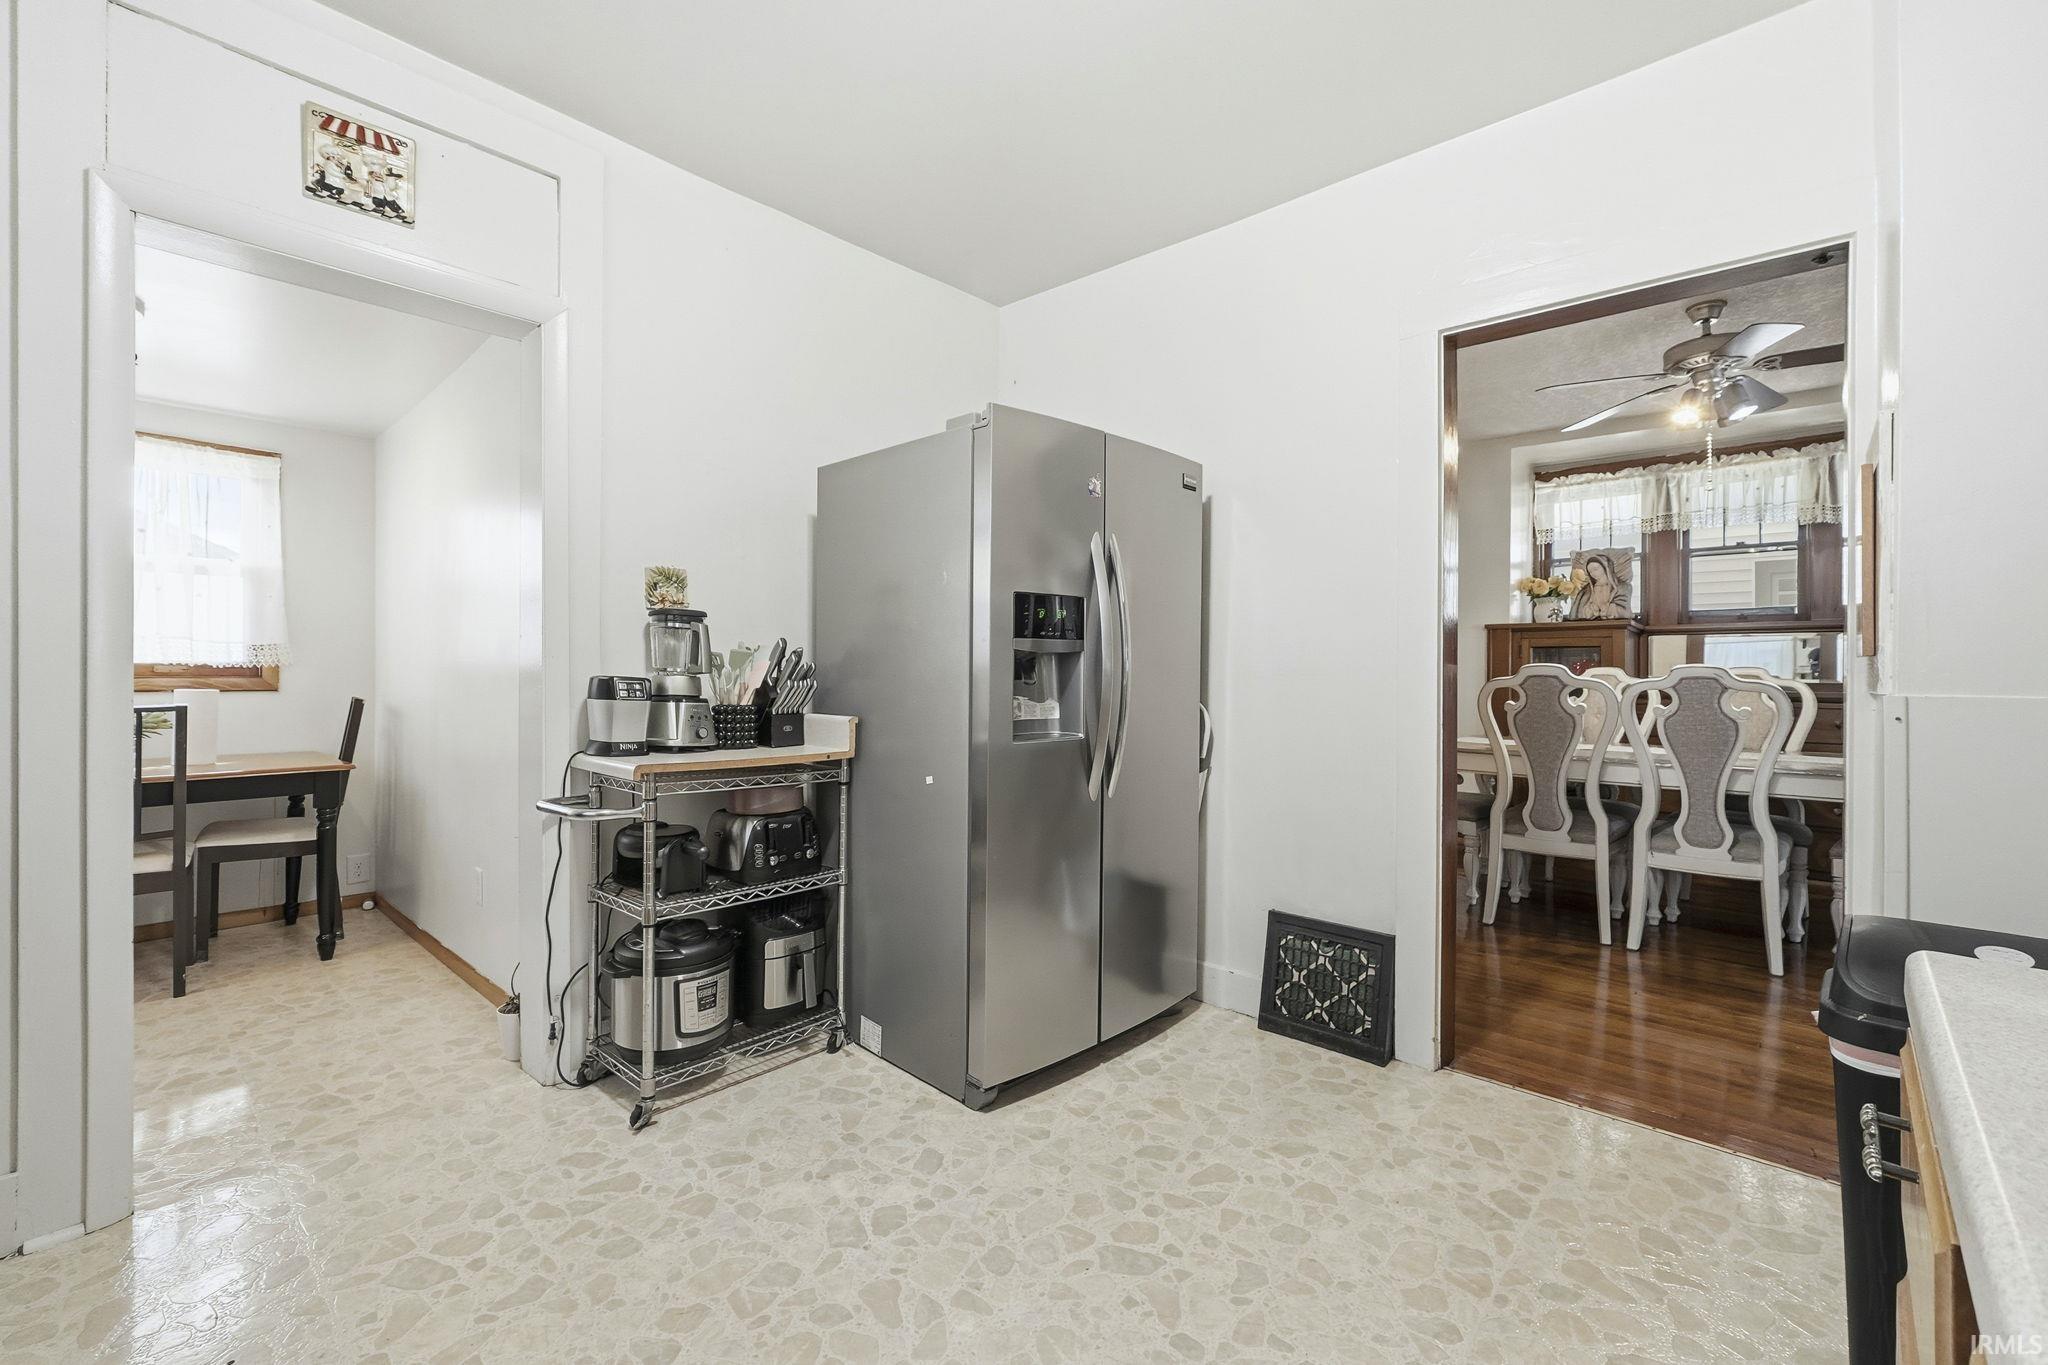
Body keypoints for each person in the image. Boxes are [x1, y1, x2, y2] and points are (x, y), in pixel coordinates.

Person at [1571, 552, 1628, 619]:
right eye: (1590, 572)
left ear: (1604, 567)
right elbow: (1580, 613)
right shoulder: (1586, 591)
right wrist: (1590, 609)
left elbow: (1624, 610)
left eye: (1596, 569)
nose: (1593, 574)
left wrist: (1611, 608)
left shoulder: (1622, 587)